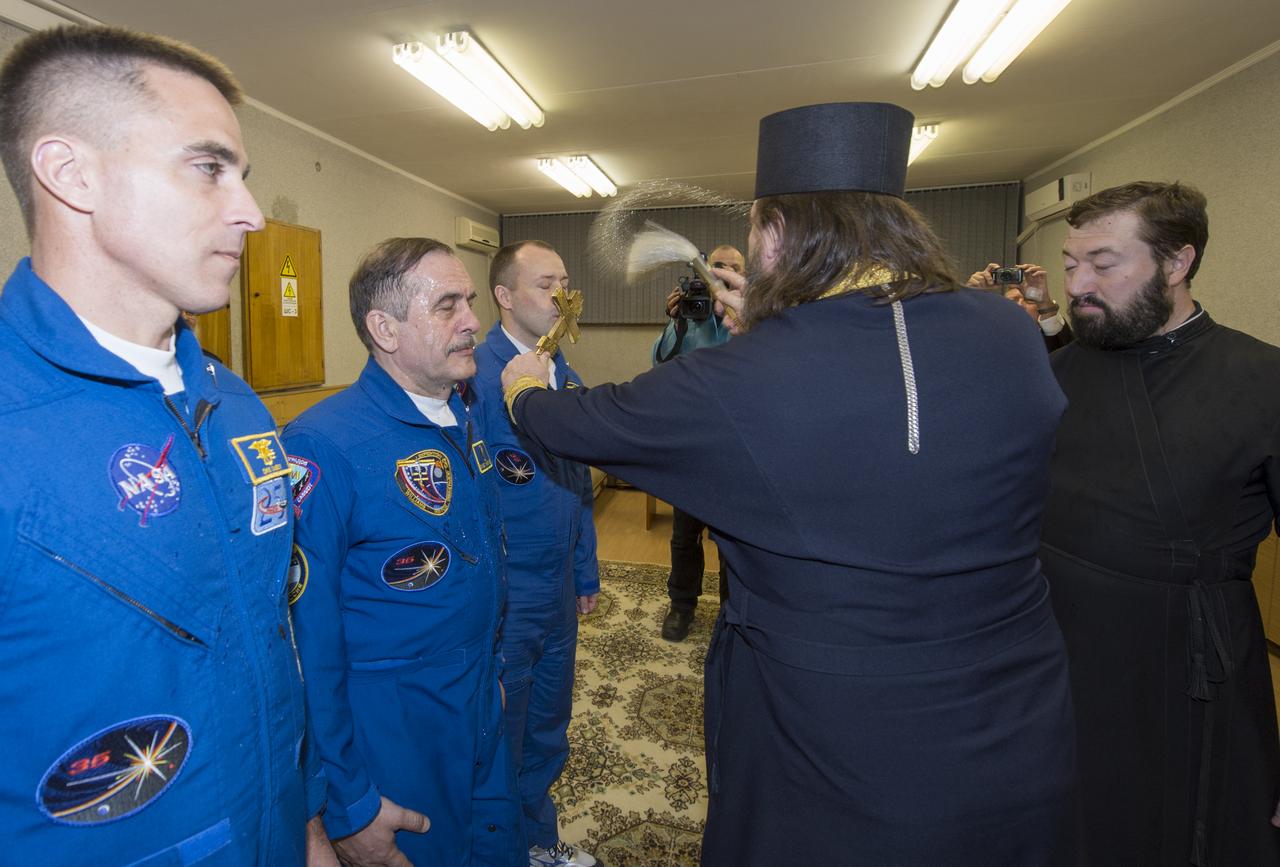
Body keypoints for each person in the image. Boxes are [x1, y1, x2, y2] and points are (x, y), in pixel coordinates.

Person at [501, 102, 1077, 865]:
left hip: (834, 738)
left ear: (776, 233)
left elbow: (582, 425)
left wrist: (522, 390)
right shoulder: (1008, 330)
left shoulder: (745, 375)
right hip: (1015, 712)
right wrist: (772, 332)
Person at [0, 24, 332, 866]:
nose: (252, 213)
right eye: (208, 166)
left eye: (243, 176)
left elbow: (274, 640)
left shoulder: (236, 401)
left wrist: (307, 820)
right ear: (71, 174)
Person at [1039, 181, 1280, 865]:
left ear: (1177, 263)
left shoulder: (1263, 380)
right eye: (1070, 261)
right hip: (1057, 669)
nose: (1079, 283)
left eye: (1104, 263)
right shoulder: (1050, 376)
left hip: (1189, 680)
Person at [282, 238, 523, 866]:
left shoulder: (460, 418)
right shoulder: (323, 444)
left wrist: (491, 670)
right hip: (392, 729)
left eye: (470, 301)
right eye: (448, 306)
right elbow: (308, 643)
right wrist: (347, 802)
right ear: (384, 329)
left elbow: (484, 558)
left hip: (475, 699)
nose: (473, 320)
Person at [474, 240, 599, 867]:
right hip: (508, 596)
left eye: (566, 282)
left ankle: (538, 841)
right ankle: (503, 851)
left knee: (549, 729)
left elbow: (576, 483)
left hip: (555, 593)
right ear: (504, 295)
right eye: (547, 284)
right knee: (504, 733)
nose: (563, 297)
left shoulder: (562, 373)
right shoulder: (474, 377)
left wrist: (585, 569)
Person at [651, 244, 744, 641]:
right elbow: (660, 369)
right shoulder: (690, 314)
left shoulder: (749, 320)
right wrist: (677, 323)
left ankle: (731, 610)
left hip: (735, 447)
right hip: (692, 446)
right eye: (716, 266)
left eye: (732, 267)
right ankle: (682, 605)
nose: (722, 272)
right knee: (683, 535)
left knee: (732, 540)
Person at [966, 262, 1073, 350]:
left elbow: (1063, 347)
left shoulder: (1053, 343)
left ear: (1039, 312)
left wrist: (1044, 301)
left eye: (1029, 301)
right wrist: (968, 297)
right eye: (1012, 301)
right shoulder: (987, 339)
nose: (1020, 305)